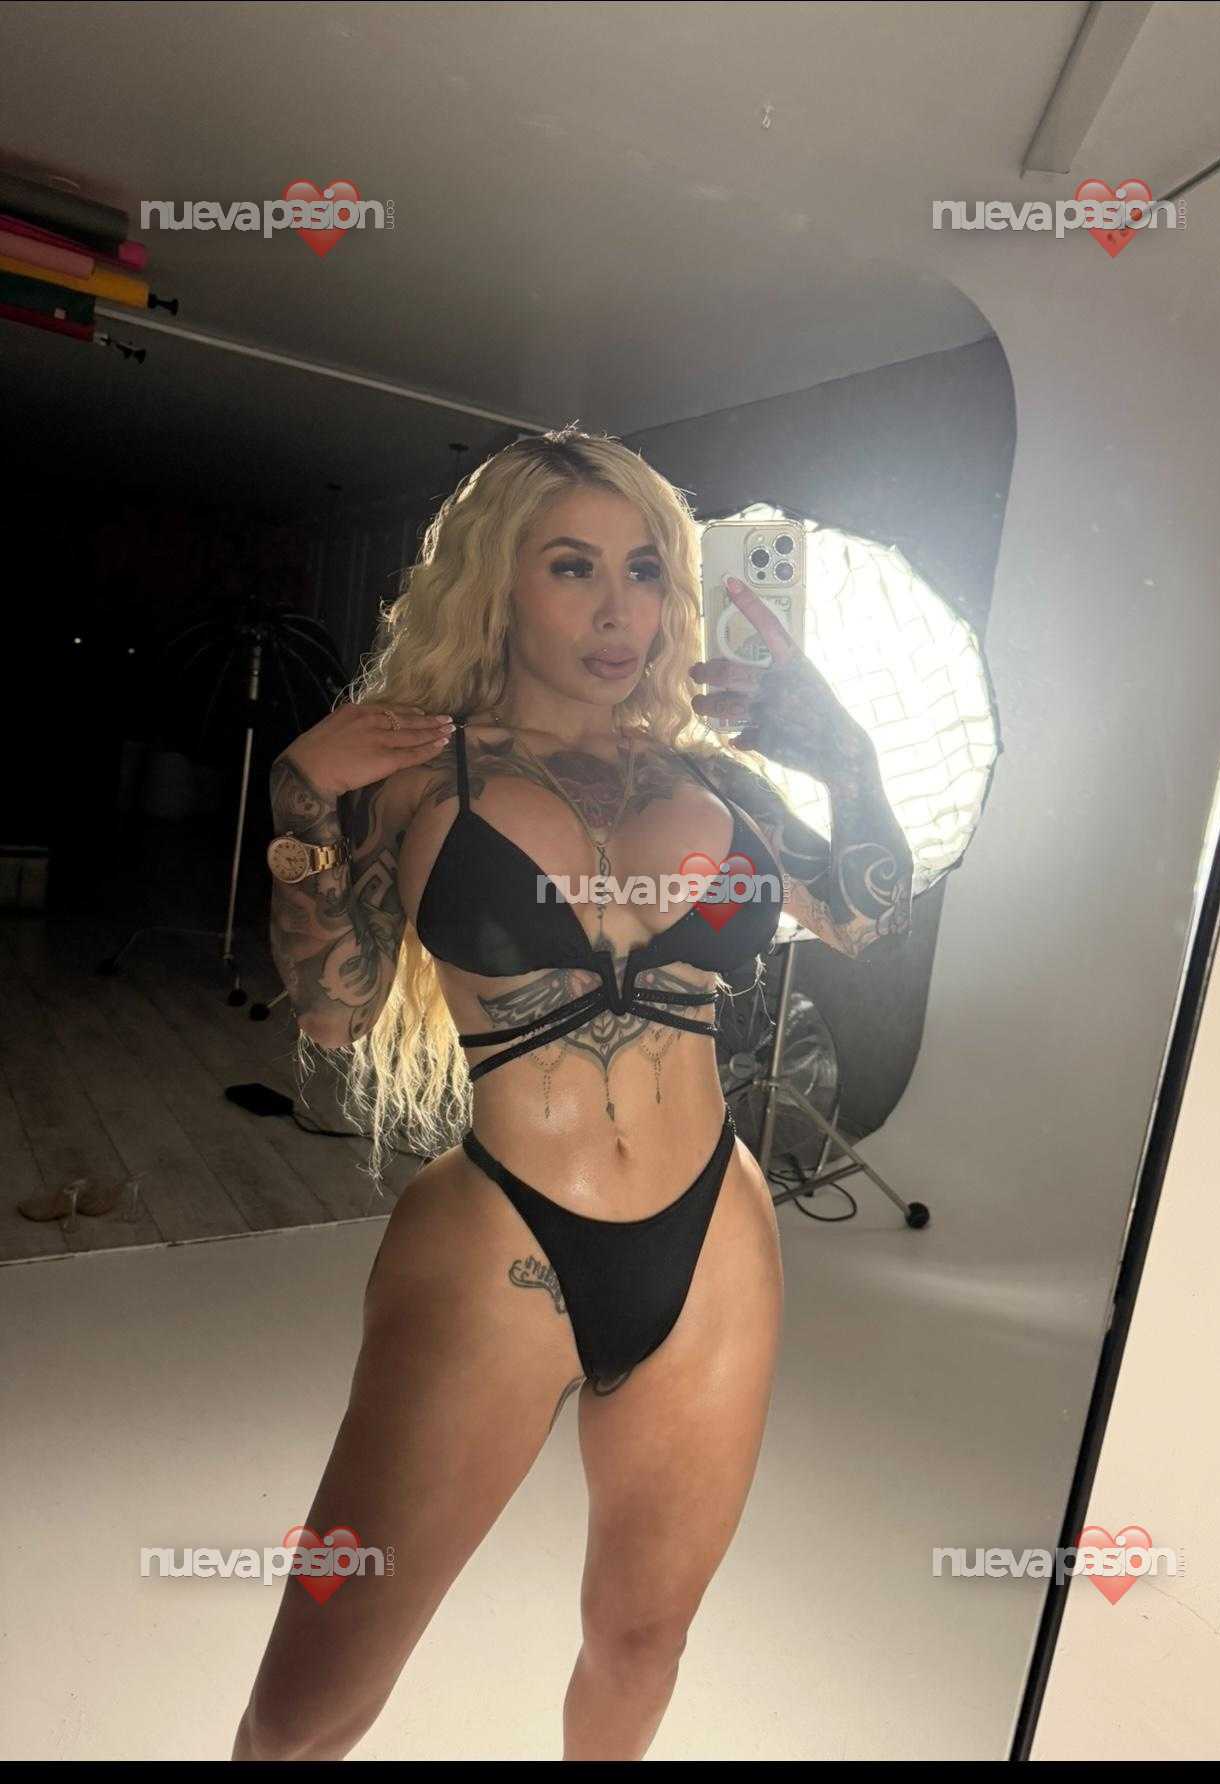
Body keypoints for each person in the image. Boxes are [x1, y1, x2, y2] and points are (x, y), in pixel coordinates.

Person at [234, 428, 914, 1761]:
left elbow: (859, 915)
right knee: (305, 1701)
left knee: (642, 1644)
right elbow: (334, 1011)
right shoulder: (418, 774)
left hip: (715, 1241)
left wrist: (850, 760)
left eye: (645, 570)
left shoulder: (717, 781)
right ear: (499, 584)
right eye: (573, 567)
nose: (619, 610)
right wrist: (302, 802)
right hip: (499, 1242)